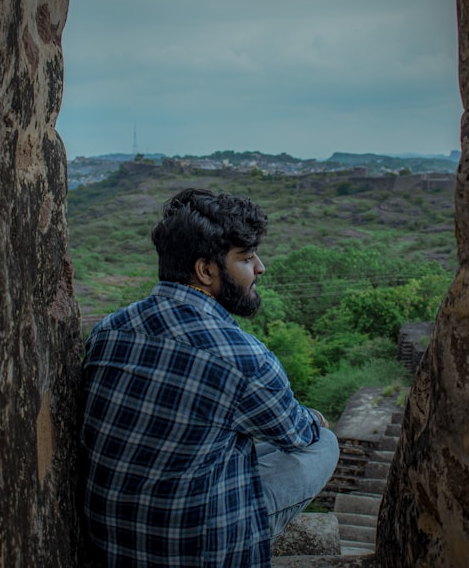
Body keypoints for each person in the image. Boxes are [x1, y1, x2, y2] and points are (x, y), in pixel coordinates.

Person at [79, 188, 340, 567]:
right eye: (247, 258)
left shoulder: (109, 329)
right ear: (206, 270)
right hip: (197, 549)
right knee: (322, 444)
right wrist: (313, 418)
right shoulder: (244, 358)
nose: (260, 268)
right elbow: (297, 434)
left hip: (113, 536)